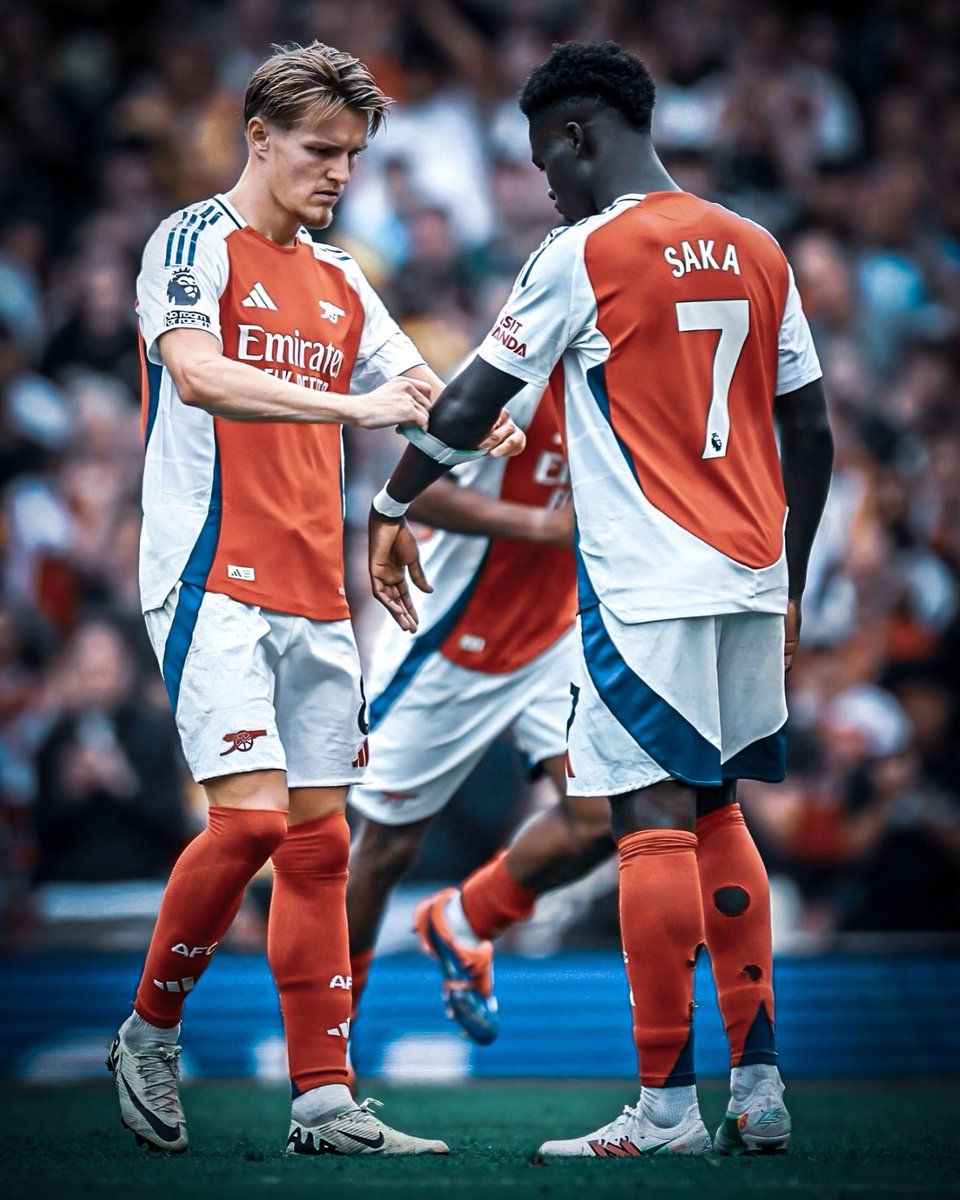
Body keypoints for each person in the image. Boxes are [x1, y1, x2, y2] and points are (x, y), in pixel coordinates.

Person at [367, 41, 833, 1159]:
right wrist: (794, 580)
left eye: (546, 163)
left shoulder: (584, 251)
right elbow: (811, 429)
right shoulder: (758, 245)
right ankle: (758, 1087)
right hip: (751, 573)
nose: (546, 187)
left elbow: (471, 401)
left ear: (577, 137)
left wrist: (391, 501)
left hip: (646, 586)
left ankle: (665, 1111)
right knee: (717, 810)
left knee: (648, 821)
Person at [108, 40, 523, 1160]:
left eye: (352, 155)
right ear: (258, 138)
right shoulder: (190, 242)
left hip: (313, 586)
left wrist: (475, 421)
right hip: (210, 572)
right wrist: (358, 410)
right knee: (248, 821)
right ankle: (149, 1030)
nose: (340, 173)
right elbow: (196, 372)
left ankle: (324, 1103)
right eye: (320, 150)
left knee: (318, 846)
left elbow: (418, 390)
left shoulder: (341, 276)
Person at [347, 377, 613, 1041]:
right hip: (450, 639)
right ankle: (328, 1039)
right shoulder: (515, 378)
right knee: (384, 848)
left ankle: (463, 922)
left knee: (606, 817)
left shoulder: (643, 384)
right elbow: (408, 491)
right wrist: (542, 526)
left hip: (552, 637)